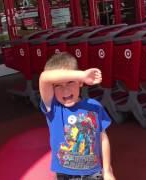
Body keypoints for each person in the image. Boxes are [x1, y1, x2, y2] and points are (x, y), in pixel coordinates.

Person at [39, 52, 115, 180]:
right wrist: (82, 75)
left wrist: (107, 170)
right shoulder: (53, 108)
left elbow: (103, 139)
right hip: (64, 175)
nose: (65, 90)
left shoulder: (94, 106)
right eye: (58, 85)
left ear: (80, 83)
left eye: (70, 82)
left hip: (93, 174)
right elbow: (44, 77)